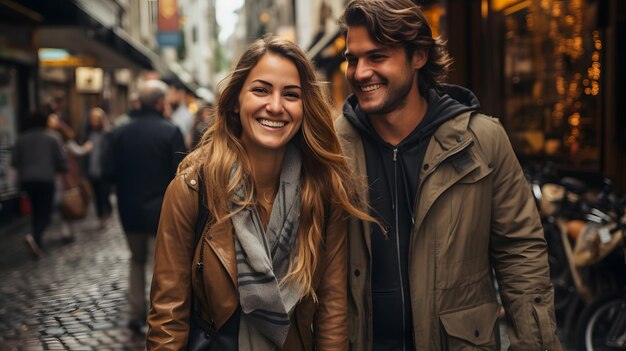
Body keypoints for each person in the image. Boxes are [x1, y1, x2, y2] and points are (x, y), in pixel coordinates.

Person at [335, 1, 561, 350]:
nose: (360, 72)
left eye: (377, 57)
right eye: (353, 59)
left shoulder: (483, 141)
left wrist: (535, 344)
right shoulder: (329, 148)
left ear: (419, 57)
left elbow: (519, 251)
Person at [147, 36, 371, 350]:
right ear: (236, 101)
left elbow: (331, 312)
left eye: (290, 94)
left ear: (304, 107)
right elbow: (167, 319)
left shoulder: (321, 190)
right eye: (261, 90)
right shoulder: (192, 188)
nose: (276, 106)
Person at [103, 79, 186, 334]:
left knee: (136, 261)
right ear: (161, 103)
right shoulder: (170, 131)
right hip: (162, 210)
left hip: (129, 209)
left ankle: (134, 313)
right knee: (160, 264)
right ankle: (158, 315)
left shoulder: (119, 132)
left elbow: (108, 172)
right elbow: (181, 174)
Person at [12, 108, 68, 258]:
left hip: (28, 181)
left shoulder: (21, 139)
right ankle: (35, 237)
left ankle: (37, 241)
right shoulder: (53, 138)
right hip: (46, 180)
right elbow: (61, 160)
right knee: (46, 213)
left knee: (36, 211)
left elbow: (14, 161)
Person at [82, 107, 112, 229]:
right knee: (96, 196)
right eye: (92, 119)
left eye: (97, 119)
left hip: (104, 170)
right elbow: (82, 152)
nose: (94, 121)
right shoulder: (86, 134)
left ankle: (107, 210)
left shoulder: (107, 134)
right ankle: (101, 216)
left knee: (104, 193)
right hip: (91, 170)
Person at [167, 82, 194, 150]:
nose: (168, 97)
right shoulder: (171, 112)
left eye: (172, 93)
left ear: (181, 94)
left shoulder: (186, 115)